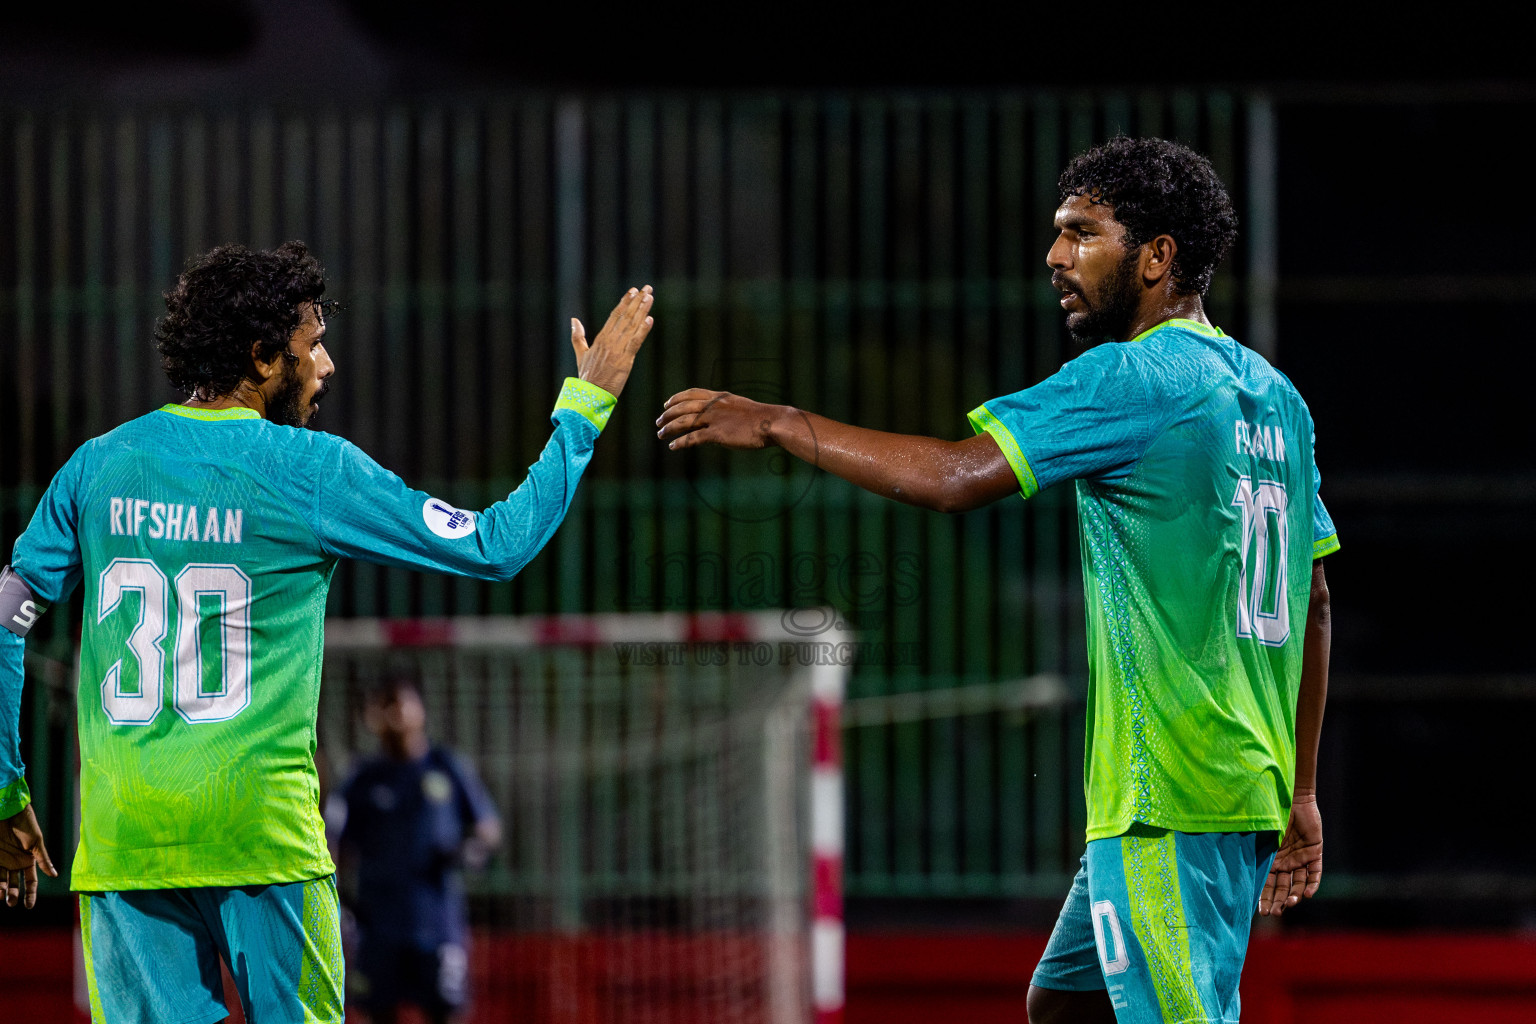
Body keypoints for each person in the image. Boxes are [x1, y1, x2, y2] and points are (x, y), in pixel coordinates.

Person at [657, 137, 1335, 1024]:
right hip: (1234, 786)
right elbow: (1314, 602)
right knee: (1063, 1006)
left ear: (1159, 257)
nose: (1055, 257)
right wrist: (1303, 792)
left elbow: (955, 477)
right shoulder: (1274, 395)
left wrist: (784, 423)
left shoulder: (1131, 376)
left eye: (1082, 233)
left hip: (1169, 798)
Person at [0, 240, 652, 1024]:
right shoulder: (311, 470)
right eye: (312, 346)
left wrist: (6, 790)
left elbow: (8, 616)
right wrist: (584, 410)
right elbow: (497, 545)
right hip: (265, 846)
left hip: (125, 850)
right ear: (262, 356)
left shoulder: (98, 467)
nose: (328, 365)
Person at [329, 677, 499, 1024]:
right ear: (371, 717)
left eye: (402, 703)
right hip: (377, 927)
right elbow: (333, 842)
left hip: (438, 924)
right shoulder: (363, 779)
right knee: (377, 1012)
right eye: (385, 705)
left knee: (446, 1012)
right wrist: (340, 894)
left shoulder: (447, 767)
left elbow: (488, 828)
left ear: (420, 710)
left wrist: (473, 849)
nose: (396, 714)